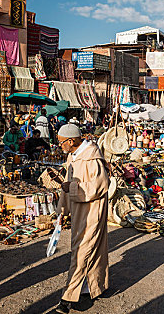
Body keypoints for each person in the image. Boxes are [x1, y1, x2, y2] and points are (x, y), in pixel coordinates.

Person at [55, 124, 110, 314]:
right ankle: (91, 287)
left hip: (92, 211)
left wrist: (71, 188)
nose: (59, 145)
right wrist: (62, 211)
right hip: (79, 211)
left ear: (71, 141)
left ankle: (66, 298)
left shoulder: (92, 157)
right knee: (88, 252)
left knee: (81, 253)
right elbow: (67, 185)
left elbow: (101, 185)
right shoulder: (72, 156)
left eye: (61, 142)